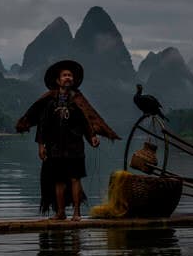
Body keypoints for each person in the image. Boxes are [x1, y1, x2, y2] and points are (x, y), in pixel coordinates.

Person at [16, 60, 120, 220]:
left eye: (70, 75)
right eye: (64, 75)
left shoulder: (79, 101)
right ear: (58, 80)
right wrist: (40, 146)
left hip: (75, 147)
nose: (67, 78)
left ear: (74, 80)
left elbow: (87, 121)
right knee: (58, 181)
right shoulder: (50, 101)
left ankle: (77, 213)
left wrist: (92, 136)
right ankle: (60, 212)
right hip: (55, 147)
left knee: (75, 179)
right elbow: (43, 124)